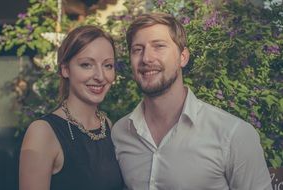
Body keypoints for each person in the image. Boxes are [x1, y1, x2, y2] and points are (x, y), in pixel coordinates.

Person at [111, 12, 272, 190]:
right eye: (137, 49)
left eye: (159, 46)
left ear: (183, 57)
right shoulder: (120, 134)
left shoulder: (234, 135)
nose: (147, 58)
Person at [19, 25, 124, 190]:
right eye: (86, 65)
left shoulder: (107, 126)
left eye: (108, 65)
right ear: (65, 69)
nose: (100, 76)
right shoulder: (43, 132)